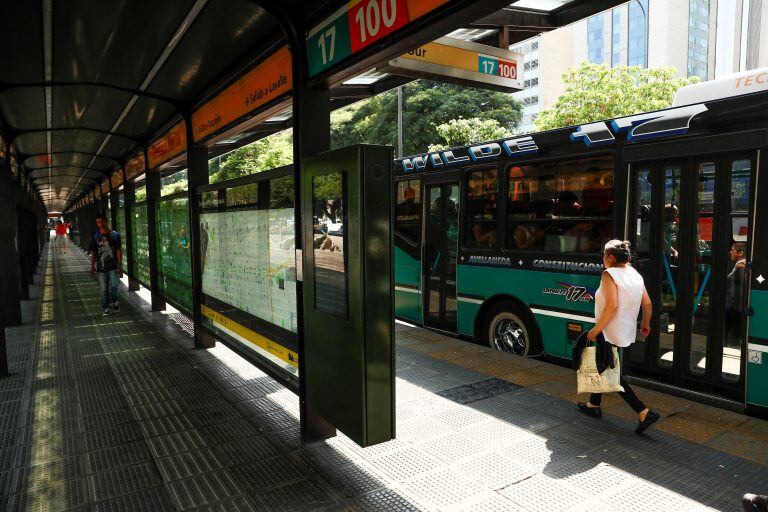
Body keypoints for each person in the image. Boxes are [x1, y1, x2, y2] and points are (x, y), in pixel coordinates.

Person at [577, 240, 661, 434]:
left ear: (612, 257)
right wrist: (646, 325)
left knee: (609, 373)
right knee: (603, 365)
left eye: (604, 255)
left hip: (608, 330)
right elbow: (647, 305)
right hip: (624, 330)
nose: (603, 259)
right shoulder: (635, 274)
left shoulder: (609, 275)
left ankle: (643, 411)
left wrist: (596, 330)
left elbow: (612, 306)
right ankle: (593, 405)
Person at [89, 213, 123, 316]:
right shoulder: (96, 236)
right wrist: (92, 266)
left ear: (106, 221)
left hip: (113, 266)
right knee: (104, 289)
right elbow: (93, 252)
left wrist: (120, 264)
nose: (100, 224)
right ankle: (106, 308)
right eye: (98, 222)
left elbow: (118, 250)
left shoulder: (114, 235)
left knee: (114, 286)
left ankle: (115, 300)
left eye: (102, 221)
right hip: (101, 267)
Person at [725, 242, 747, 349]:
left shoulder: (741, 267)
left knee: (733, 344)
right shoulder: (739, 266)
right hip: (734, 309)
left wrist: (731, 308)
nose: (730, 252)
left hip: (735, 310)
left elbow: (739, 291)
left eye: (732, 250)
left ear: (740, 253)